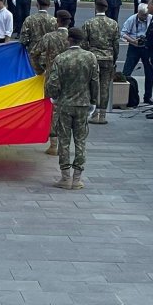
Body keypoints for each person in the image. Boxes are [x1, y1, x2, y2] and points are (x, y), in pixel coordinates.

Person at [45, 27, 99, 190]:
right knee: (80, 140)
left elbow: (53, 82)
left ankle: (65, 177)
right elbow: (95, 81)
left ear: (69, 39)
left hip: (64, 104)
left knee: (64, 141)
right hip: (83, 104)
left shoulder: (61, 58)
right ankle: (77, 178)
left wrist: (53, 96)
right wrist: (94, 100)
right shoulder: (90, 57)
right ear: (82, 41)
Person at [30, 10, 72, 156]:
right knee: (67, 108)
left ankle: (53, 144)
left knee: (52, 109)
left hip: (52, 76)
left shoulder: (49, 37)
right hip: (70, 78)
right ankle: (65, 142)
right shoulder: (73, 38)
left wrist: (39, 70)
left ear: (57, 21)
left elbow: (34, 53)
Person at [82, 0, 120, 125]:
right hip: (108, 58)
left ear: (95, 7)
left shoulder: (89, 23)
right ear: (106, 8)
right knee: (104, 86)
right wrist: (114, 58)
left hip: (93, 57)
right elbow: (116, 44)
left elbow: (83, 42)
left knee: (92, 85)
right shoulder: (113, 23)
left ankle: (93, 113)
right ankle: (102, 115)